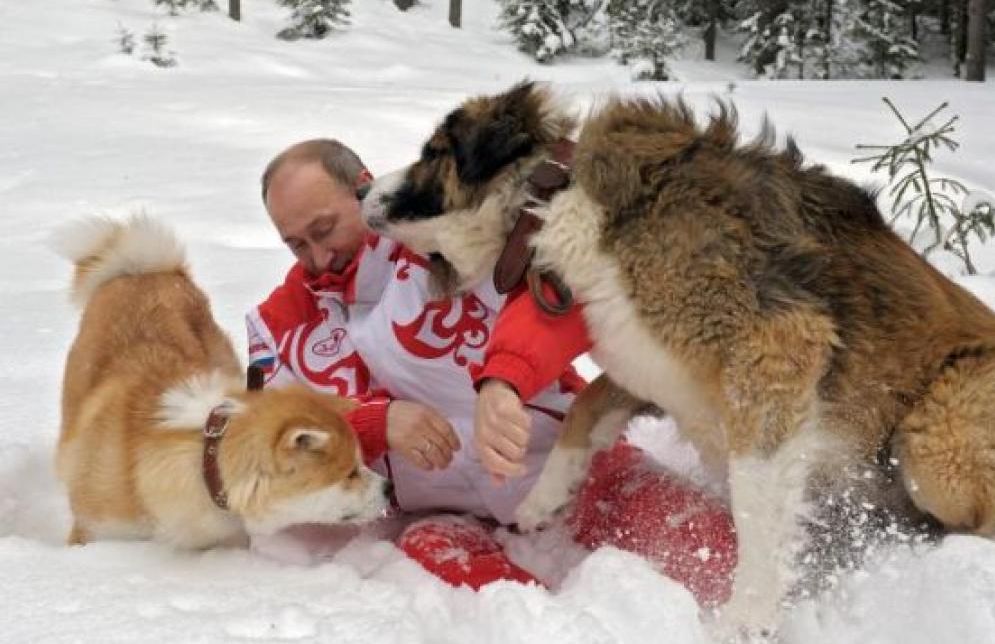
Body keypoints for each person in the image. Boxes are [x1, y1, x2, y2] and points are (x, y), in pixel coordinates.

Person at [247, 138, 736, 604]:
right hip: (439, 518)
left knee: (716, 553)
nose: (318, 258)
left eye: (325, 229)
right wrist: (371, 424)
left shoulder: (452, 234)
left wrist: (504, 379)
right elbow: (258, 443)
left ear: (364, 186)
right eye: (296, 245)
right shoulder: (278, 325)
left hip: (571, 465)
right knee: (504, 610)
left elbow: (564, 295)